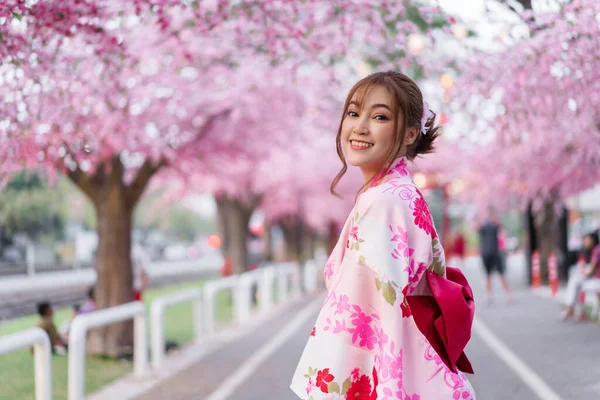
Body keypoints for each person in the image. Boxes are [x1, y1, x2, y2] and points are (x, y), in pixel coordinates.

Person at [290, 71, 475, 399]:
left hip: (398, 379)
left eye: (379, 116)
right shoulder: (398, 193)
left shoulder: (384, 200)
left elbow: (378, 314)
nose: (360, 126)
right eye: (353, 113)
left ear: (409, 134)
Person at [561, 232, 600, 321]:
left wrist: (583, 274)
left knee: (575, 282)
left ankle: (571, 308)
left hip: (598, 282)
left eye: (587, 240)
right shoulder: (594, 250)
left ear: (593, 240)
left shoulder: (597, 250)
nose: (584, 242)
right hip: (596, 281)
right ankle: (577, 310)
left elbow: (591, 272)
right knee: (576, 283)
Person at [478, 217, 512, 303]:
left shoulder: (495, 226)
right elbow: (475, 226)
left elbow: (501, 225)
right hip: (486, 254)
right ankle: (488, 295)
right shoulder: (482, 227)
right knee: (488, 275)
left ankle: (508, 294)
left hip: (495, 253)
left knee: (501, 274)